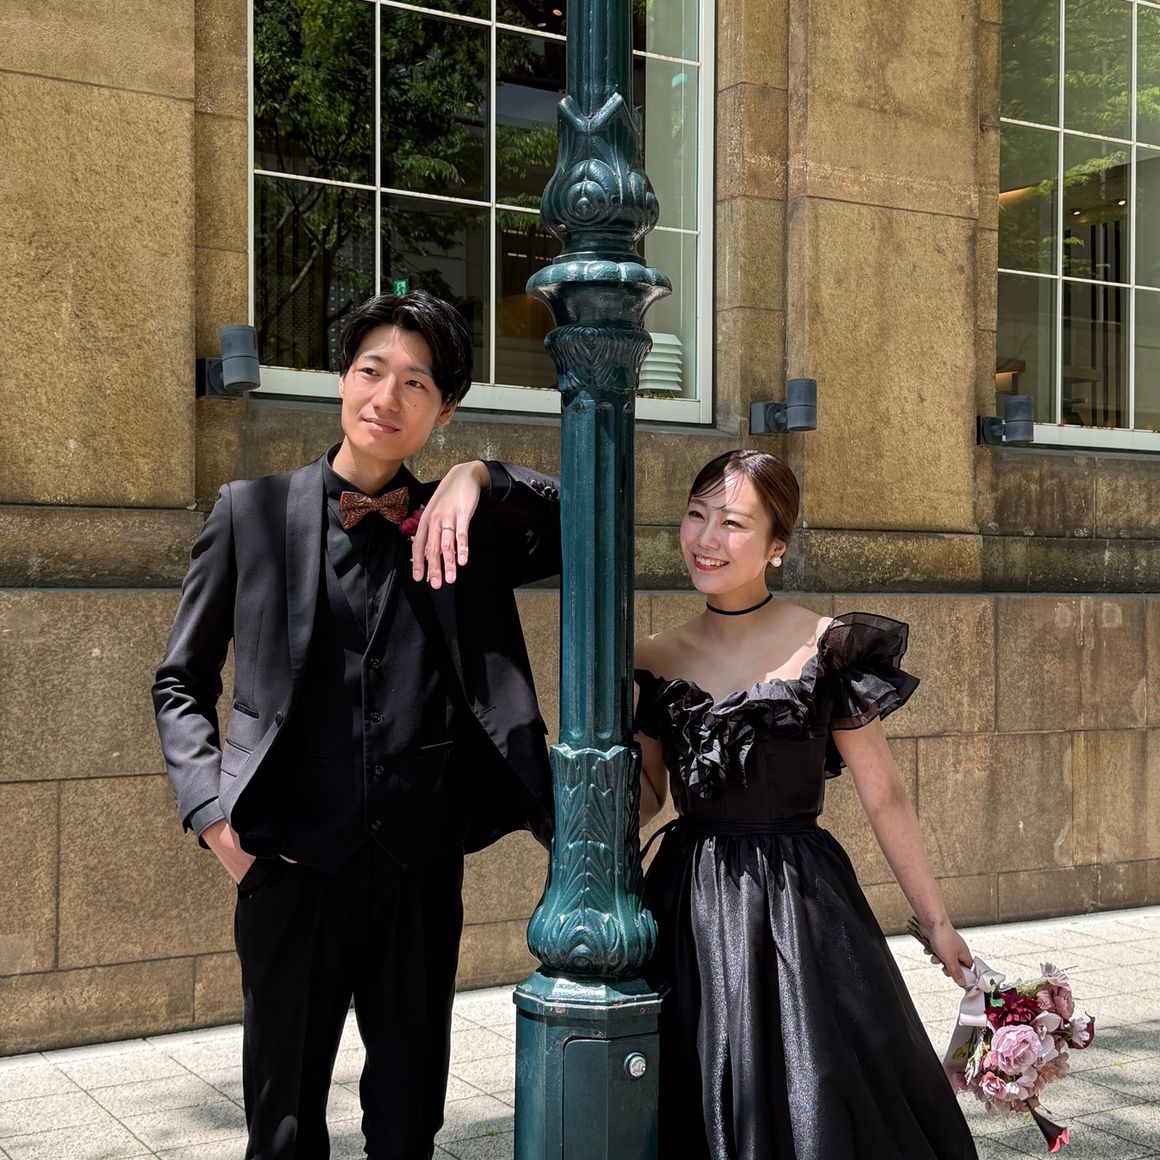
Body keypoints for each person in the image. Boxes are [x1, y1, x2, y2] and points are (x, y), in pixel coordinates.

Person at [153, 291, 560, 1160]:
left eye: (416, 382)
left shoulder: (464, 525)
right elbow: (180, 681)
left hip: (419, 871)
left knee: (410, 1124)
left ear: (443, 409)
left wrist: (478, 475)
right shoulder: (249, 512)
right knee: (283, 1127)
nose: (387, 396)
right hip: (289, 866)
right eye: (372, 370)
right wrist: (214, 820)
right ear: (342, 379)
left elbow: (591, 514)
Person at [633, 448, 978, 1160]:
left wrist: (938, 926)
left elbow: (884, 795)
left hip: (801, 901)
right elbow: (650, 795)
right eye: (695, 515)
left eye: (732, 523)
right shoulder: (652, 656)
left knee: (820, 1087)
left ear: (777, 546)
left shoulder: (827, 647)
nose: (705, 538)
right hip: (689, 904)